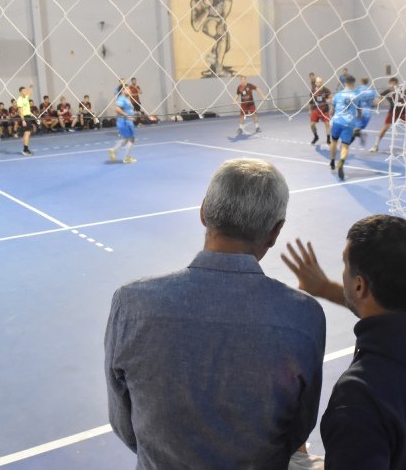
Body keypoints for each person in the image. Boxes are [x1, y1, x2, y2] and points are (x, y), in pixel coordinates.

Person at [105, 159, 326, 469]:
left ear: (203, 211)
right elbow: (298, 429)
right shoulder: (304, 316)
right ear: (275, 232)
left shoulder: (131, 305)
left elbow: (124, 423)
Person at [281, 214, 406, 470]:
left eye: (345, 265)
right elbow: (387, 313)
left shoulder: (360, 396)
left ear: (360, 286)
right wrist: (326, 289)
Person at [190, 0, 233, 77]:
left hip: (220, 18)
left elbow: (228, 1)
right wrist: (206, 10)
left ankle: (213, 58)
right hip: (208, 21)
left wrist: (222, 20)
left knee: (226, 46)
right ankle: (219, 69)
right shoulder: (196, 0)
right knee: (222, 37)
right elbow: (196, 26)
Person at [370, 77, 406, 153]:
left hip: (402, 112)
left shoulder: (402, 91)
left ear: (396, 84)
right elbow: (379, 97)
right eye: (391, 84)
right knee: (384, 129)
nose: (392, 85)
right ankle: (375, 145)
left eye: (393, 84)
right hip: (392, 112)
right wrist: (378, 101)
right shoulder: (388, 91)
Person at [329, 74, 358, 180]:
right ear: (353, 83)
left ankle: (332, 162)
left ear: (344, 83)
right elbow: (359, 111)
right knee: (345, 146)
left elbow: (331, 110)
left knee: (334, 141)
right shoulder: (356, 95)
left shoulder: (338, 95)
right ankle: (341, 161)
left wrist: (331, 117)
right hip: (349, 124)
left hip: (337, 121)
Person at [108, 82, 137, 164]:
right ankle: (127, 158)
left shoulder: (126, 99)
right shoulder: (121, 98)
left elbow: (127, 109)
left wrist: (135, 114)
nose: (129, 90)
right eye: (127, 88)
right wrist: (128, 116)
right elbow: (117, 109)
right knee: (131, 138)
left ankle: (113, 150)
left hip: (127, 122)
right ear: (122, 90)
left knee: (126, 139)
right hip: (124, 122)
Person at [352, 77, 378, 145]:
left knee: (353, 129)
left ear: (361, 81)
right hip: (368, 112)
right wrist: (372, 105)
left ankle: (345, 145)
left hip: (359, 111)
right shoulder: (371, 90)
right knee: (358, 128)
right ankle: (360, 135)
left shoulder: (358, 89)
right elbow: (377, 101)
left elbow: (352, 98)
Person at [309, 76, 331, 145]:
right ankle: (316, 136)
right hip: (315, 109)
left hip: (324, 110)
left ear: (322, 82)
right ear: (315, 83)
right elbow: (310, 102)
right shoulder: (312, 91)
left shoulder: (326, 90)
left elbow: (330, 98)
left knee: (327, 124)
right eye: (318, 82)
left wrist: (327, 100)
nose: (319, 83)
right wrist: (310, 110)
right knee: (312, 125)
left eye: (320, 82)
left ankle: (328, 139)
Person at [16, 85, 34, 156]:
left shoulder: (26, 97)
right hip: (25, 117)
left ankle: (25, 148)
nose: (26, 92)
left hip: (28, 116)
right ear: (21, 92)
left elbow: (30, 92)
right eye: (24, 91)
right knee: (27, 133)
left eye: (26, 90)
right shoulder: (19, 100)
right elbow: (20, 111)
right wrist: (23, 120)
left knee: (27, 133)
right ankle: (25, 150)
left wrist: (31, 86)